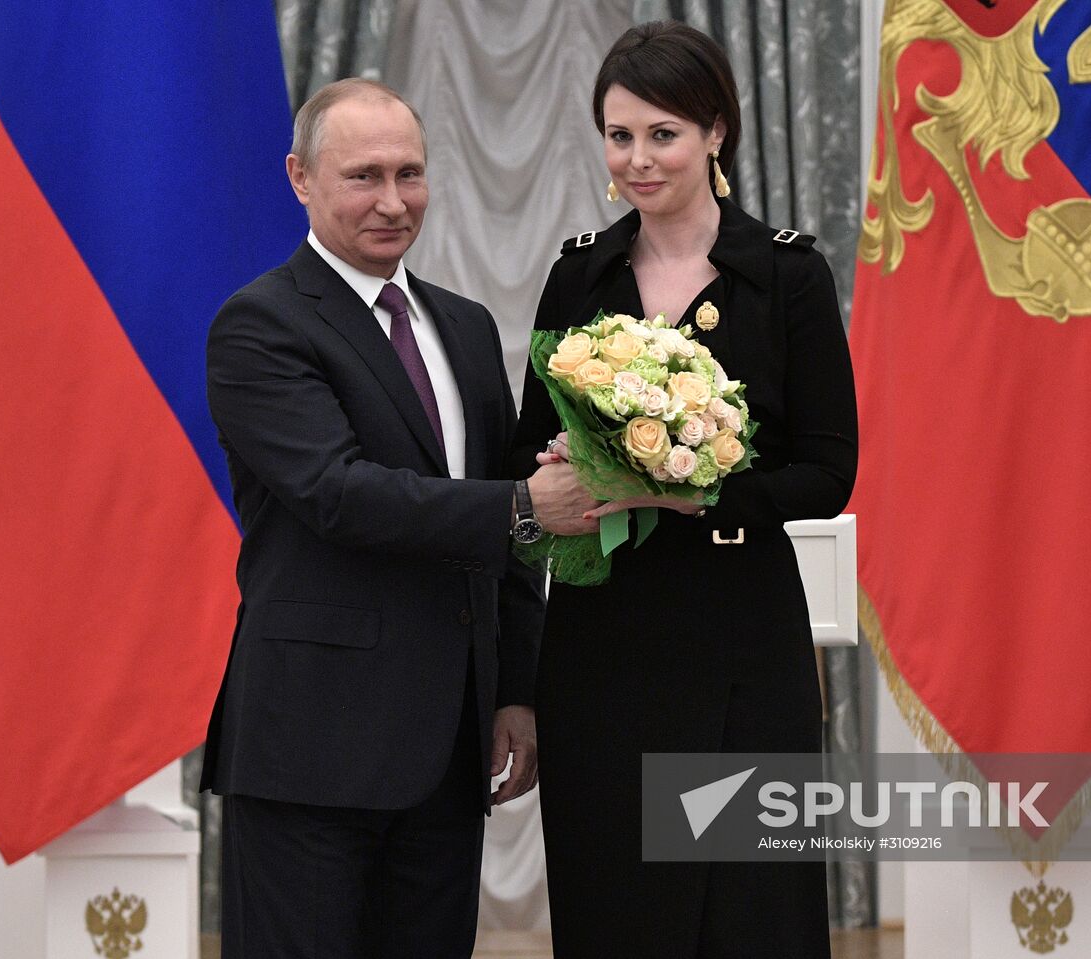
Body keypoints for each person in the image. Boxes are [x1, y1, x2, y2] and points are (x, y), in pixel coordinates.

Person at [199, 78, 596, 958]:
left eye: (410, 173)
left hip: (449, 752)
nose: (392, 201)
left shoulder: (463, 325)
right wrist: (526, 502)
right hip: (313, 750)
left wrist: (517, 688)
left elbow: (512, 534)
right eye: (363, 176)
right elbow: (341, 495)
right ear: (300, 177)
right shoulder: (259, 325)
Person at [510, 22, 858, 958]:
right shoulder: (578, 272)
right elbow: (523, 454)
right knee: (615, 904)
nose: (637, 159)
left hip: (742, 640)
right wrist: (554, 469)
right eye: (619, 136)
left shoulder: (787, 274)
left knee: (751, 915)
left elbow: (827, 473)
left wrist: (690, 494)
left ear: (715, 132)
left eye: (661, 134)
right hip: (601, 648)